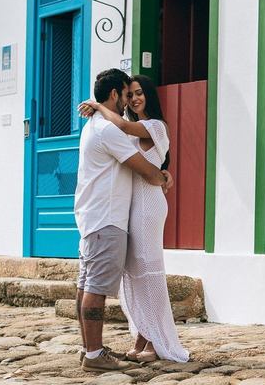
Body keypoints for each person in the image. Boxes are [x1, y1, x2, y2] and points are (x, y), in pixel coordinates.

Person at [79, 75, 190, 363]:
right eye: (131, 94)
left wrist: (97, 106)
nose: (135, 99)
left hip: (148, 206)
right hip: (128, 208)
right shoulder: (116, 132)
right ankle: (141, 337)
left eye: (140, 93)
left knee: (148, 272)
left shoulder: (153, 126)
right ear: (119, 94)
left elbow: (130, 133)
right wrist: (163, 174)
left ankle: (156, 341)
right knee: (134, 275)